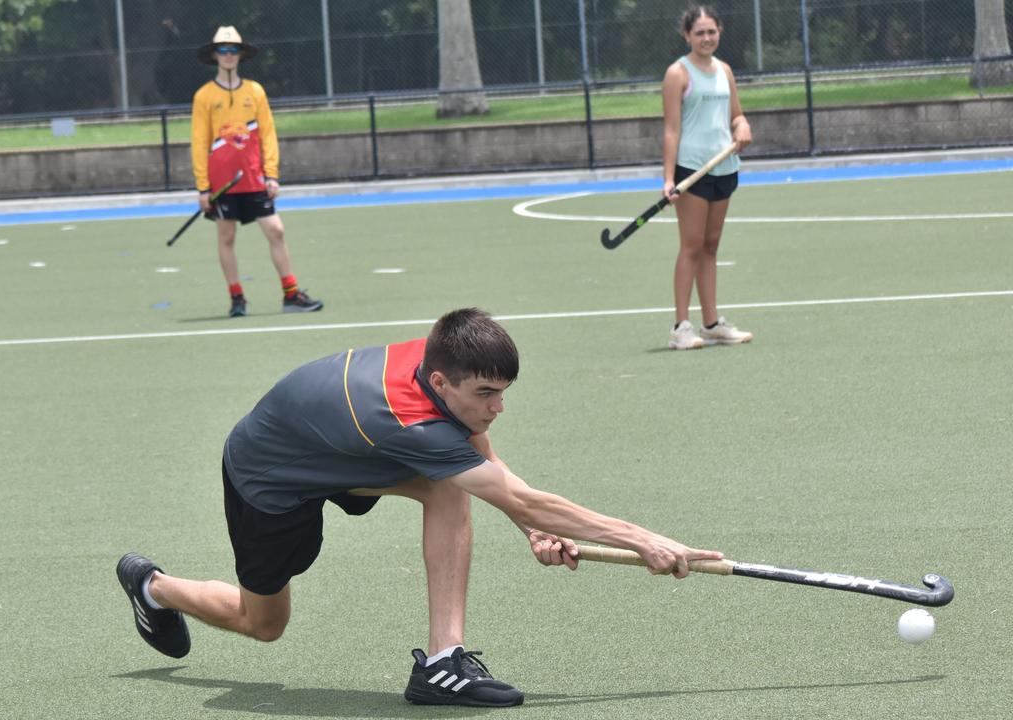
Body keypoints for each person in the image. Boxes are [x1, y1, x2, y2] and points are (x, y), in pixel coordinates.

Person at [116, 307, 723, 708]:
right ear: (441, 383)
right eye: (486, 394)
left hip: (341, 449)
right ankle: (156, 588)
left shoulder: (438, 358)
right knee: (263, 623)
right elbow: (514, 490)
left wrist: (531, 530)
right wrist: (643, 539)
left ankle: (441, 664)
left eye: (503, 393)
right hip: (272, 477)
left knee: (448, 483)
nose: (497, 408)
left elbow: (477, 450)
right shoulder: (408, 418)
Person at [191, 26, 323, 317]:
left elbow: (268, 136)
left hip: (254, 178)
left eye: (233, 50)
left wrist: (271, 174)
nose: (228, 55)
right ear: (215, 55)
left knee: (276, 230)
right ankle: (237, 299)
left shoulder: (255, 91)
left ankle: (291, 295)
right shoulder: (203, 96)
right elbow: (199, 142)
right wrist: (203, 187)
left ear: (240, 54)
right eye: (223, 50)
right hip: (221, 184)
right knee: (226, 238)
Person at [661, 6, 754, 350]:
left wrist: (742, 124)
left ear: (720, 31)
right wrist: (669, 178)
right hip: (692, 169)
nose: (706, 38)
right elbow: (671, 129)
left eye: (711, 31)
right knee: (691, 246)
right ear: (687, 35)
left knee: (711, 247)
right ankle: (681, 327)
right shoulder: (678, 73)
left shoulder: (724, 71)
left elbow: (736, 115)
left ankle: (712, 323)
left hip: (724, 167)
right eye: (699, 33)